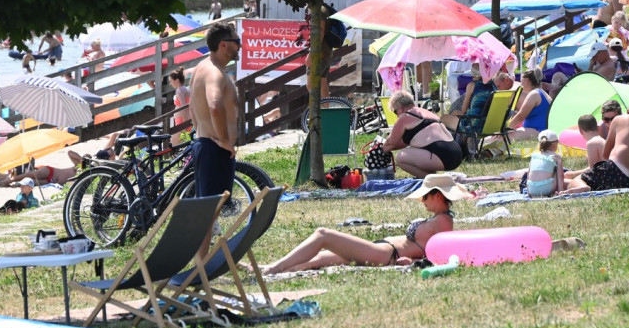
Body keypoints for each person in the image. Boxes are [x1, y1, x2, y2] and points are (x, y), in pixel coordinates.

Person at [260, 174, 463, 275]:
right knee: (318, 258)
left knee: (323, 235)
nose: (423, 200)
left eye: (425, 196)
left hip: (385, 254)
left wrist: (412, 263)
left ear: (437, 195)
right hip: (382, 249)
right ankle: (265, 269)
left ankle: (271, 269)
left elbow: (439, 253)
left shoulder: (444, 221)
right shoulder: (439, 218)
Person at [563, 97, 629, 193]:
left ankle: (584, 187)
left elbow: (606, 154)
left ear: (628, 111)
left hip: (615, 171)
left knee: (576, 181)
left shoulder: (620, 120)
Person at [189, 22, 240, 201]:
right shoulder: (214, 73)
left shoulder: (201, 68)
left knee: (209, 213)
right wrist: (225, 141)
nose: (239, 46)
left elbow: (192, 108)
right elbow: (215, 105)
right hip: (214, 150)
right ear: (223, 44)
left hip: (207, 145)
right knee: (210, 213)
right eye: (237, 41)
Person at [381, 91, 463, 176]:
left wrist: (379, 151)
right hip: (456, 152)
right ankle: (433, 178)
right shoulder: (426, 113)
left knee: (401, 157)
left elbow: (390, 143)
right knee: (411, 152)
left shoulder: (405, 116)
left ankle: (431, 180)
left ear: (400, 108)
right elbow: (403, 143)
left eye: (395, 112)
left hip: (442, 156)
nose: (397, 115)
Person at [441, 71, 513, 136]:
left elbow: (463, 111)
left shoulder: (472, 85)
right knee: (455, 112)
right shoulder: (497, 91)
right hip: (491, 127)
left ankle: (458, 142)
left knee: (443, 117)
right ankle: (466, 142)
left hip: (473, 127)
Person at [409, 0, 441, 97]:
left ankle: (426, 92)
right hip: (417, 28)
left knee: (425, 61)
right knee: (417, 61)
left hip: (429, 29)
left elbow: (440, 11)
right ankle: (420, 89)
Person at [508, 69, 552, 141]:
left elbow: (520, 117)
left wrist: (506, 129)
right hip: (541, 130)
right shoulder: (542, 92)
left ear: (527, 81)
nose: (521, 85)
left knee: (504, 137)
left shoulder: (534, 94)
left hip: (538, 131)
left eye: (521, 82)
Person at [565, 114, 607, 184]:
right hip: (607, 175)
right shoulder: (602, 140)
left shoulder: (592, 143)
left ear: (581, 131)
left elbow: (593, 170)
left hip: (603, 179)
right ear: (597, 127)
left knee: (567, 182)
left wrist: (574, 174)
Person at [525, 130, 564, 197]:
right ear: (555, 144)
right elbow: (560, 176)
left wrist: (529, 192)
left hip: (532, 190)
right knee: (555, 170)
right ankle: (557, 192)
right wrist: (561, 191)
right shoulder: (556, 157)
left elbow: (528, 174)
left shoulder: (534, 156)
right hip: (547, 189)